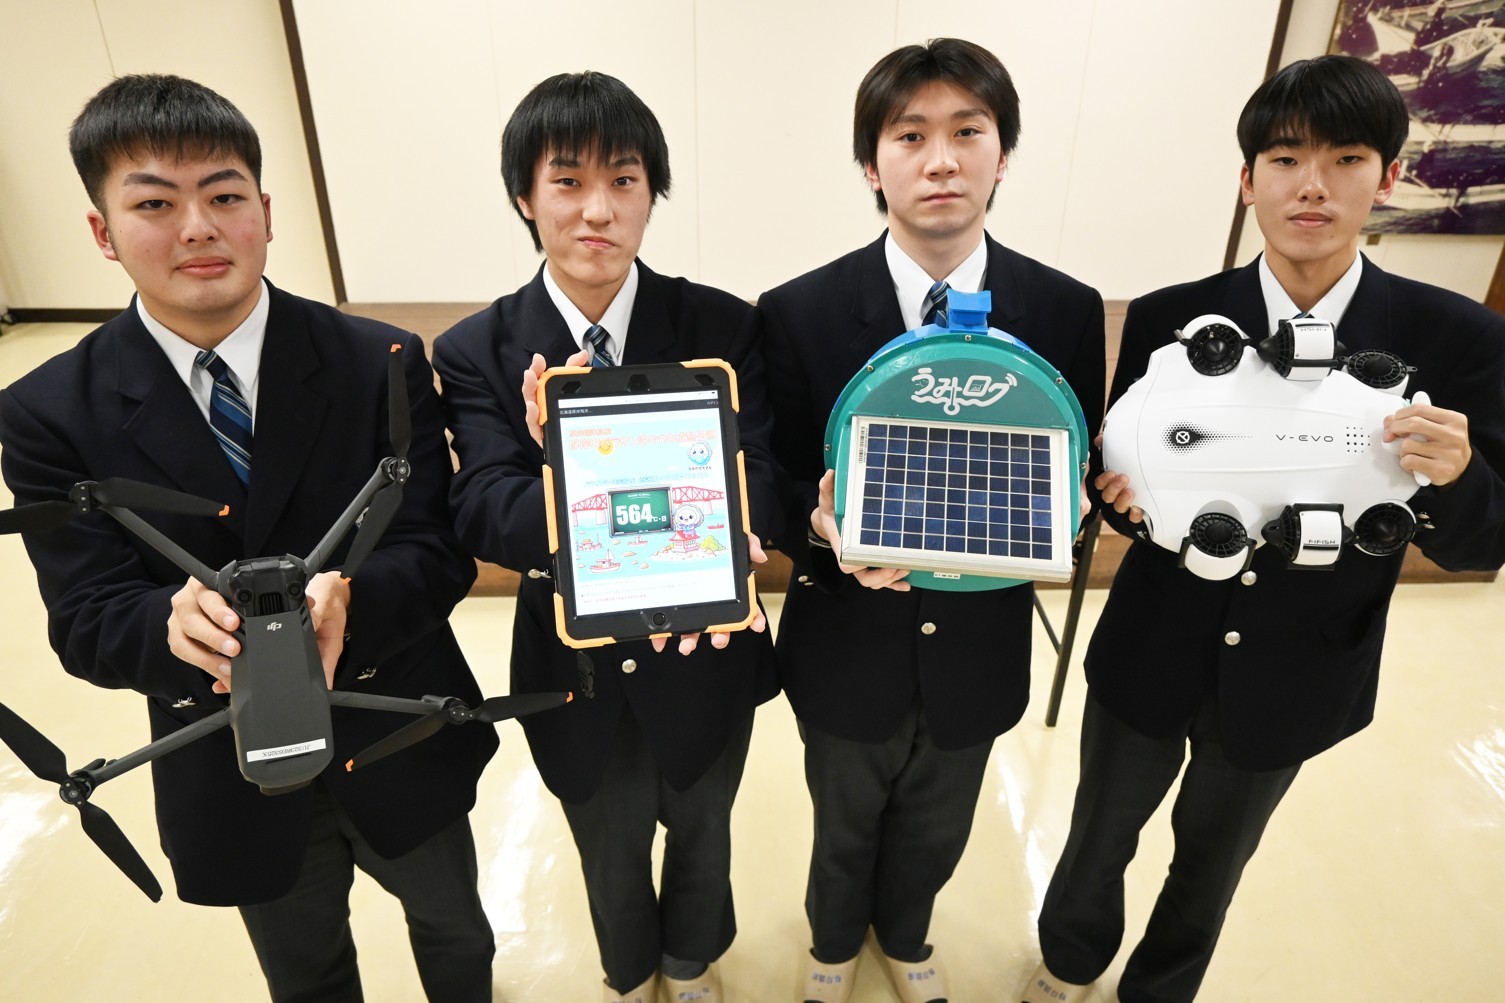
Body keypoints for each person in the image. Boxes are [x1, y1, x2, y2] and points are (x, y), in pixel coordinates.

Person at [0, 75, 498, 1002]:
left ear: (265, 212)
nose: (198, 227)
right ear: (103, 231)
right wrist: (169, 624)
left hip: (398, 732)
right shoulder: (46, 412)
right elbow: (86, 617)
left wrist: (354, 600)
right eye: (155, 203)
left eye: (224, 196)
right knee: (306, 974)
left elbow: (436, 549)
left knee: (457, 935)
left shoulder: (379, 361)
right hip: (225, 764)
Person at [1025, 55, 1505, 1003]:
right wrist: (1114, 497)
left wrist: (1459, 476)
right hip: (1151, 643)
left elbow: (1480, 544)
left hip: (1301, 664)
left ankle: (1159, 989)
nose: (1310, 186)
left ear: (1388, 177)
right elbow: (1122, 479)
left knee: (1214, 858)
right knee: (1097, 834)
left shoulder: (1455, 337)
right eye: (1284, 159)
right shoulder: (1171, 319)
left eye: (1345, 158)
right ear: (1247, 182)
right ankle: (1068, 961)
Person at [755, 38, 1106, 1003]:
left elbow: (1071, 477)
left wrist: (1071, 516)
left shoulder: (1063, 309)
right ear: (872, 165)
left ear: (1003, 154)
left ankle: (905, 933)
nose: (940, 159)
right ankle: (833, 942)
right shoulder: (796, 310)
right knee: (840, 816)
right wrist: (818, 530)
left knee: (939, 821)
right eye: (909, 136)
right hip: (844, 638)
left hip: (980, 642)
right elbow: (773, 479)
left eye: (967, 132)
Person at [433, 71, 780, 1003]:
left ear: (650, 191)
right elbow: (484, 509)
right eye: (568, 181)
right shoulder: (476, 348)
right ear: (525, 196)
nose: (598, 210)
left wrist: (729, 520)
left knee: (704, 824)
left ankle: (691, 961)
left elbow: (760, 475)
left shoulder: (720, 324)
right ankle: (629, 969)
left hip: (705, 645)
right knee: (604, 835)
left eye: (623, 180)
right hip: (572, 662)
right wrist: (569, 466)